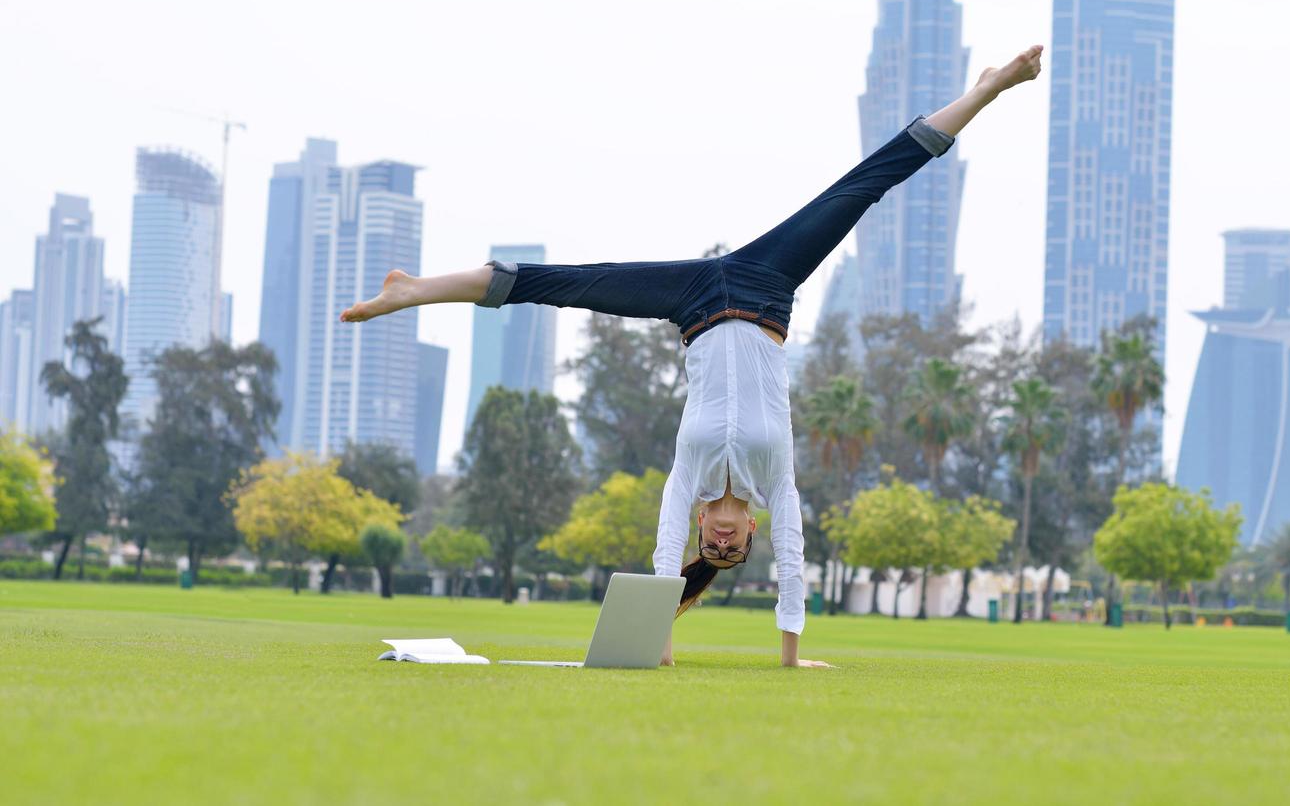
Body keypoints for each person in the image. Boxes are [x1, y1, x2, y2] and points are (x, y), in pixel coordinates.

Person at [342, 45, 1044, 667]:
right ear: (746, 533)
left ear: (703, 532)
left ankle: (412, 291)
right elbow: (793, 566)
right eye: (733, 548)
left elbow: (658, 564)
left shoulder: (687, 479)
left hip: (695, 301)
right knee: (865, 185)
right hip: (768, 287)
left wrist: (659, 644)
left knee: (567, 284)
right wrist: (791, 659)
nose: (724, 540)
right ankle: (986, 89)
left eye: (714, 547)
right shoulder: (777, 481)